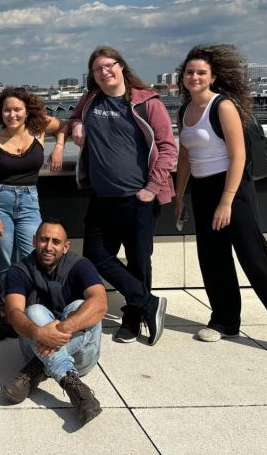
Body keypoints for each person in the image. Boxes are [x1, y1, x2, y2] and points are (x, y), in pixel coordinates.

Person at [175, 45, 267, 360]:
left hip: (232, 189)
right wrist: (180, 195)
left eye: (200, 72)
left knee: (255, 259)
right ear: (182, 76)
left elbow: (238, 156)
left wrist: (226, 201)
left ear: (212, 76)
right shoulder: (185, 110)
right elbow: (185, 155)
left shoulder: (222, 106)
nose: (194, 77)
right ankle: (225, 321)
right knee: (213, 258)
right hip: (202, 188)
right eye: (189, 72)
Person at [69, 46, 176, 346]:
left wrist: (150, 189)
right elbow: (74, 118)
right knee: (95, 255)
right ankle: (147, 303)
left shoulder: (147, 103)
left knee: (139, 261)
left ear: (121, 66)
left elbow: (168, 148)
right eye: (97, 69)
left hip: (138, 197)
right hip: (102, 197)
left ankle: (133, 318)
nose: (105, 72)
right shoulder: (91, 100)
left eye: (109, 66)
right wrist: (77, 124)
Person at [1, 219, 107, 425]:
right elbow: (13, 313)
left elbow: (101, 303)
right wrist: (39, 333)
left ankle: (34, 370)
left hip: (81, 357)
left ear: (65, 247)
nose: (49, 247)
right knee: (33, 311)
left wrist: (61, 329)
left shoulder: (80, 265)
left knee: (79, 307)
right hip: (35, 345)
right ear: (34, 241)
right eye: (44, 240)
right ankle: (72, 385)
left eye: (56, 242)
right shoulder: (19, 270)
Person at [0, 87, 65, 289]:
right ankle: (9, 312)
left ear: (27, 112)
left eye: (17, 109)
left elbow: (64, 125)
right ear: (0, 113)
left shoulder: (38, 129)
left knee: (32, 257)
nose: (12, 115)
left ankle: (30, 307)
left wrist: (59, 147)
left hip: (29, 202)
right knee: (6, 261)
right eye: (7, 110)